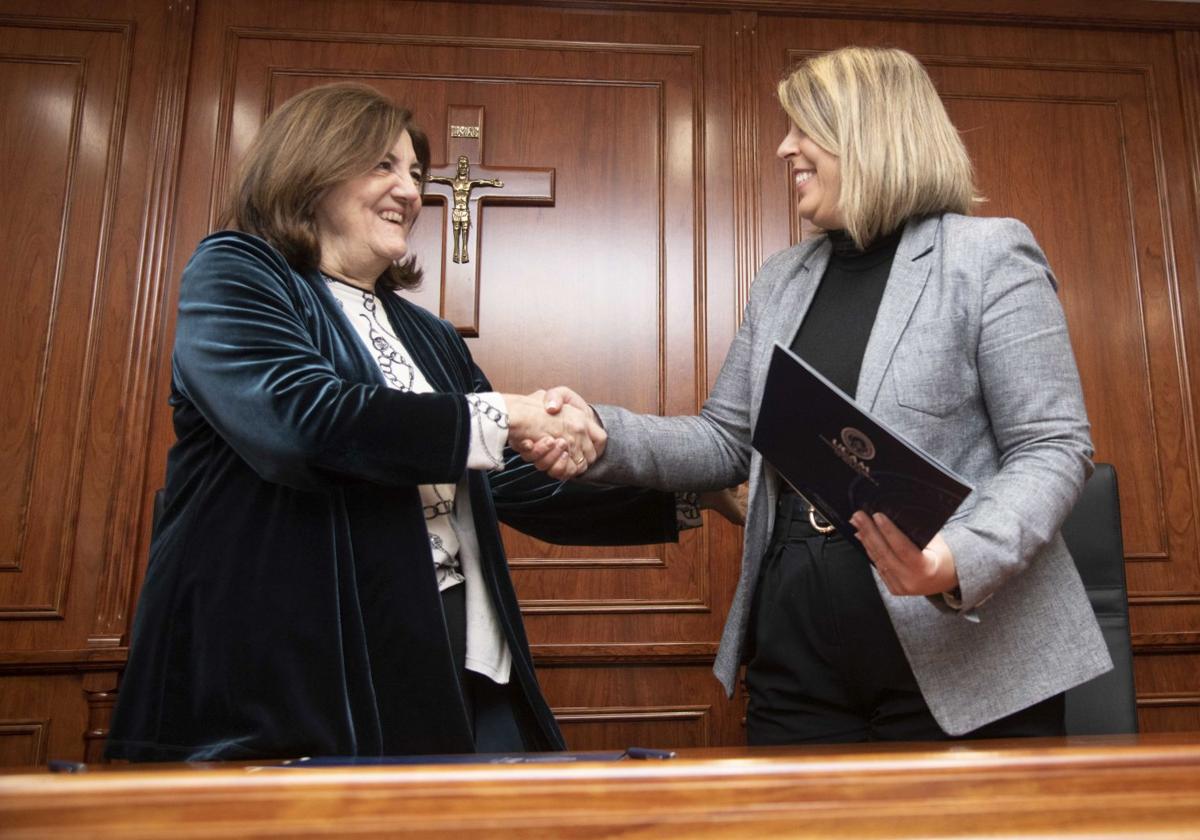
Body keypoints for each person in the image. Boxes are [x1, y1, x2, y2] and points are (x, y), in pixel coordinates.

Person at [531, 46, 1112, 743]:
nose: (785, 149)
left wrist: (951, 561)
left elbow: (1051, 445)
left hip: (966, 660)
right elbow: (726, 440)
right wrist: (602, 431)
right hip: (798, 656)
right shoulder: (782, 278)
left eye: (804, 128)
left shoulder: (987, 256)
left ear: (871, 133)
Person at [105, 82, 699, 762]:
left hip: (456, 657)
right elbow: (300, 421)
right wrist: (505, 412)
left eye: (416, 173)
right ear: (310, 167)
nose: (412, 191)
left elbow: (508, 478)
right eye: (383, 165)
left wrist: (690, 493)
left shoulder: (431, 336)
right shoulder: (237, 271)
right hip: (294, 682)